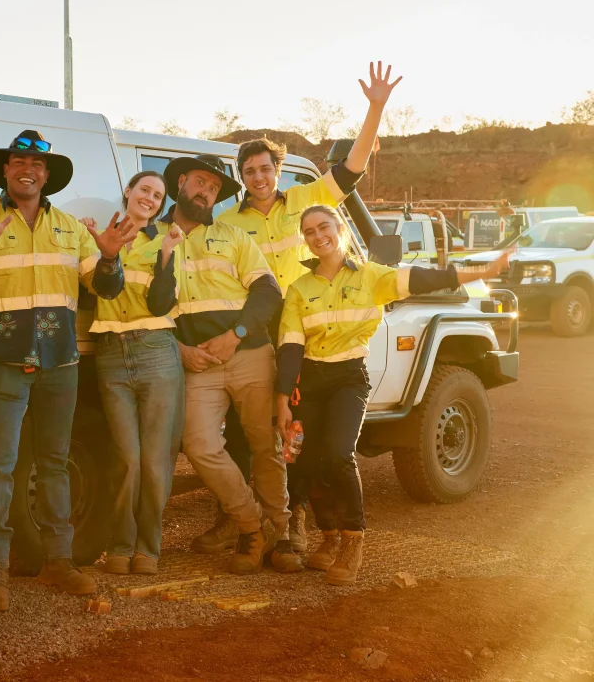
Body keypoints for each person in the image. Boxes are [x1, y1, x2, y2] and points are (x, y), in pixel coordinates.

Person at [197, 62, 404, 557]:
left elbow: (353, 166)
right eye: (249, 171)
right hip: (252, 333)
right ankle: (237, 518)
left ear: (279, 168)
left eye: (265, 168)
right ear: (240, 177)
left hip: (305, 335)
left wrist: (375, 108)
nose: (259, 177)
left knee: (293, 429)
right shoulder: (226, 221)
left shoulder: (308, 199)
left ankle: (296, 523)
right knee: (243, 433)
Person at [0, 130, 137, 610]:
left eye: (35, 164)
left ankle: (58, 561)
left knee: (54, 463)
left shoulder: (71, 228)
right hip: (1, 362)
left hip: (60, 362)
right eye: (17, 161)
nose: (26, 169)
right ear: (5, 170)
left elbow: (107, 288)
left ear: (47, 175)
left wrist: (109, 256)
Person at [276, 204, 512, 586]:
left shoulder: (372, 276)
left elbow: (425, 278)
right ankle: (329, 536)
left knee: (338, 454)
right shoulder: (299, 289)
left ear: (340, 230)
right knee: (310, 460)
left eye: (324, 227)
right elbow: (290, 347)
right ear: (305, 239)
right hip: (312, 380)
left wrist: (482, 271)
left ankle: (352, 540)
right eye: (309, 231)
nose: (318, 236)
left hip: (349, 377)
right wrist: (282, 398)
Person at [160, 153, 300, 575]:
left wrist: (234, 336)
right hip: (196, 363)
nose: (206, 192)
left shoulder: (233, 236)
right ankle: (253, 524)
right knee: (199, 445)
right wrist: (179, 349)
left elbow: (267, 292)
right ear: (181, 182)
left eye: (214, 187)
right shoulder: (152, 237)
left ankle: (282, 535)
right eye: (200, 182)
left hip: (249, 353)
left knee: (265, 447)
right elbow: (141, 305)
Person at [90, 171, 184, 575]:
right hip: (110, 353)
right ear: (128, 191)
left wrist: (166, 254)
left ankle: (148, 547)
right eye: (144, 189)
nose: (149, 198)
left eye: (157, 196)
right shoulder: (99, 237)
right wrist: (107, 253)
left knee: (155, 460)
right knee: (126, 459)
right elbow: (101, 290)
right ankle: (121, 543)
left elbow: (161, 303)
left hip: (156, 351)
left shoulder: (167, 240)